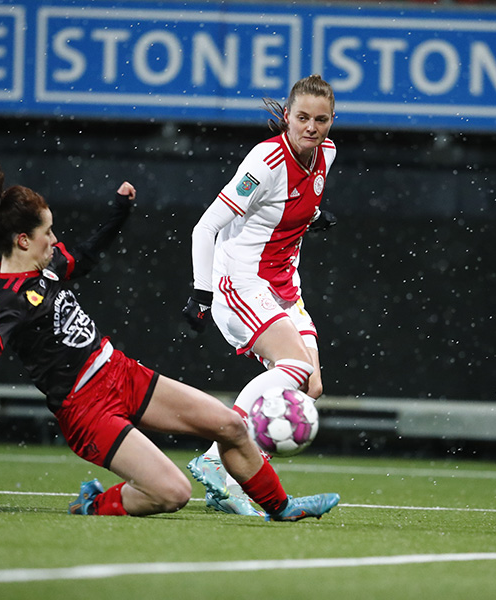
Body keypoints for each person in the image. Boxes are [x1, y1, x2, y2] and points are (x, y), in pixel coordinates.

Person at [0, 143, 338, 521]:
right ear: (22, 240)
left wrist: (118, 212)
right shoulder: (8, 298)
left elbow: (86, 256)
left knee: (231, 425)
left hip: (120, 373)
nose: (54, 241)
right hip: (86, 409)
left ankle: (281, 508)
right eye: (47, 233)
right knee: (172, 493)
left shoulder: (47, 267)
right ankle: (95, 504)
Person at [182, 75, 338, 516]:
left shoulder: (326, 154)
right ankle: (221, 462)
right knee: (293, 366)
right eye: (302, 117)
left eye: (320, 119)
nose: (311, 127)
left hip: (287, 287)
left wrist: (312, 218)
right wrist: (201, 291)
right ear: (287, 116)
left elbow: (285, 208)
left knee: (312, 385)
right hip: (242, 281)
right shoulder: (265, 162)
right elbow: (206, 227)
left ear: (331, 122)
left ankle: (218, 469)